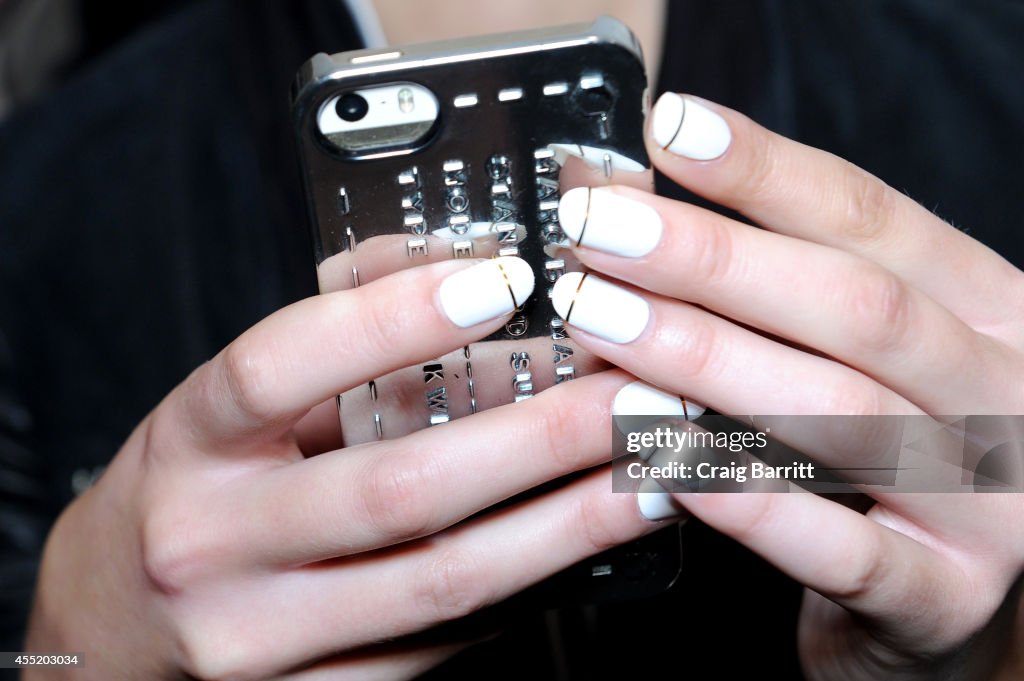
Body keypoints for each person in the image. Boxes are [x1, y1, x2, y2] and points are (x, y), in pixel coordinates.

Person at [2, 1, 1023, 679]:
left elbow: (981, 483)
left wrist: (988, 648)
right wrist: (73, 648)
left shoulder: (992, 77)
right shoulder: (42, 200)